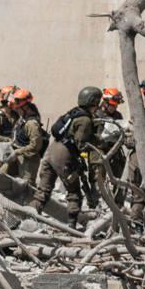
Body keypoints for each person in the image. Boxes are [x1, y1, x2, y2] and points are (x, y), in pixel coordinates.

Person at [32, 86, 105, 225]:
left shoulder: (73, 113)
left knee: (43, 190)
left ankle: (30, 218)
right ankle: (71, 225)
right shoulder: (85, 120)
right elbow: (81, 144)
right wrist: (99, 140)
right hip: (64, 154)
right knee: (74, 192)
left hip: (52, 150)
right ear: (94, 101)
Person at [4, 88, 46, 183]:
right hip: (18, 157)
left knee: (26, 187)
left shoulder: (32, 123)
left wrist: (17, 152)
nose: (16, 111)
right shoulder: (22, 119)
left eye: (18, 108)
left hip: (28, 162)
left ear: (25, 107)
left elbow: (35, 146)